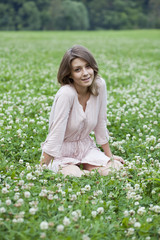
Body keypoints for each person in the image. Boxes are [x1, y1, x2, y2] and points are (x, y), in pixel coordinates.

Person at [40, 45, 124, 177]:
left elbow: (100, 123)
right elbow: (56, 134)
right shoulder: (66, 94)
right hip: (62, 152)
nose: (85, 73)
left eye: (88, 66)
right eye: (77, 69)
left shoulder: (99, 85)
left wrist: (110, 157)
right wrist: (41, 168)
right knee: (74, 175)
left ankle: (87, 172)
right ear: (69, 74)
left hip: (85, 148)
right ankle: (84, 173)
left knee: (115, 169)